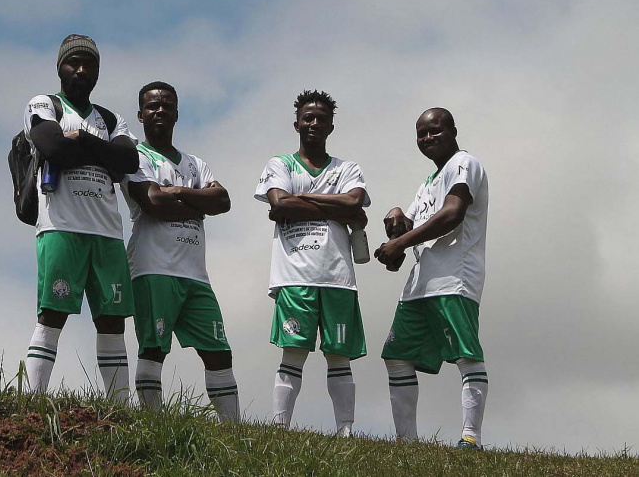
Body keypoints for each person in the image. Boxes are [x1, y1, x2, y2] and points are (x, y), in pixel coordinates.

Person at [22, 34, 139, 402]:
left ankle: (120, 408)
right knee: (52, 314)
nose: (82, 70)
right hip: (61, 227)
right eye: (74, 62)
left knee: (112, 322)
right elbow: (53, 146)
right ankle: (32, 400)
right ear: (60, 66)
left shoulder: (110, 117)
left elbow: (129, 162)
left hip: (106, 232)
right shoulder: (44, 103)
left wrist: (84, 142)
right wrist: (101, 152)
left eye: (90, 64)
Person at [121, 81, 239, 421]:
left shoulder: (195, 163)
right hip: (152, 268)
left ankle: (234, 430)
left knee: (219, 352)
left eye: (167, 105)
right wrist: (196, 200)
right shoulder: (136, 157)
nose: (160, 110)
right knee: (154, 349)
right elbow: (155, 202)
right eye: (153, 105)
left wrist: (177, 193)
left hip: (195, 276)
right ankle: (154, 424)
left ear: (176, 113)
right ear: (140, 114)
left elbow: (223, 200)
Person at [254, 90, 370, 436]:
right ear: (297, 124)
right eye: (308, 117)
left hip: (337, 276)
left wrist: (299, 198)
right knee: (293, 352)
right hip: (294, 276)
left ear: (331, 126)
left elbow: (355, 201)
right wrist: (338, 208)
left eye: (321, 118)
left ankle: (345, 432)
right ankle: (280, 429)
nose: (314, 123)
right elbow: (279, 203)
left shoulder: (347, 168)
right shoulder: (280, 164)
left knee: (339, 356)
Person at [374, 107, 490, 450]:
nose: (426, 138)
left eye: (434, 131)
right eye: (421, 134)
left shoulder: (464, 164)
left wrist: (400, 242)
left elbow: (452, 213)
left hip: (455, 277)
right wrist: (396, 219)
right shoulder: (428, 182)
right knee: (396, 355)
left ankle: (471, 439)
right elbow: (409, 227)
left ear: (453, 130)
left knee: (466, 356)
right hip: (419, 284)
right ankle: (406, 443)